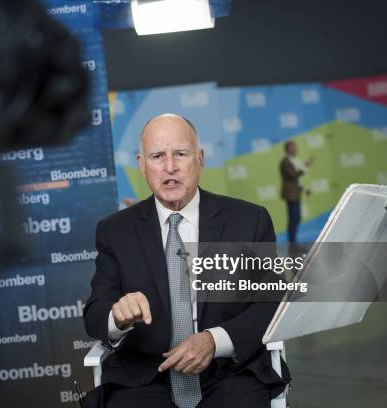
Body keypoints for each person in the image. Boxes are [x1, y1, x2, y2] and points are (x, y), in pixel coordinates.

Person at [83, 114, 289, 407]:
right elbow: (95, 312)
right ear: (141, 165)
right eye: (157, 156)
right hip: (145, 379)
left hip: (230, 373)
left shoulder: (248, 220)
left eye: (180, 154)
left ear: (200, 159)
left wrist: (214, 341)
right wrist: (117, 316)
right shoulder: (115, 231)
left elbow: (273, 301)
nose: (170, 167)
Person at [279, 141, 314, 243]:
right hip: (291, 195)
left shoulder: (293, 161)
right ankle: (292, 243)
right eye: (293, 148)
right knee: (293, 219)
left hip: (295, 194)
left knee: (296, 218)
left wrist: (304, 189)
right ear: (288, 149)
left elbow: (296, 180)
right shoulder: (285, 162)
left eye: (295, 147)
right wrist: (305, 167)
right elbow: (293, 175)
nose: (295, 149)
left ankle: (293, 242)